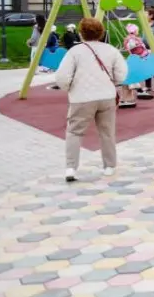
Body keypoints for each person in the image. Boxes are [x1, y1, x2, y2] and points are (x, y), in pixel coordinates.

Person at [55, 18, 128, 183]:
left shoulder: (74, 52)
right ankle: (109, 166)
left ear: (81, 33)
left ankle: (71, 168)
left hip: (81, 98)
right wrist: (113, 83)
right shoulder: (111, 50)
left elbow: (62, 77)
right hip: (106, 96)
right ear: (101, 33)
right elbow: (122, 74)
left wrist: (69, 88)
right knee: (107, 132)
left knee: (74, 132)